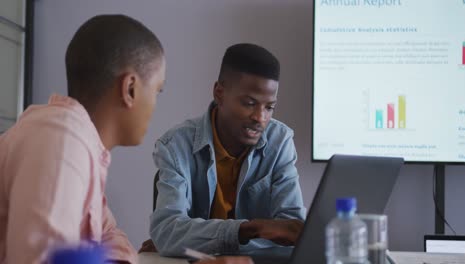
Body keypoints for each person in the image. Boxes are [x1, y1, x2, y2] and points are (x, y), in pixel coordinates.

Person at [0, 14, 248, 264]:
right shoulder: (62, 142)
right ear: (130, 88)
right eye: (156, 91)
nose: (154, 104)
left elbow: (112, 237)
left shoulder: (80, 143)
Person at [148, 43, 306, 257]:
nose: (260, 118)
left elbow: (294, 236)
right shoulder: (176, 145)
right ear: (219, 93)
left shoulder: (280, 142)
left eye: (269, 107)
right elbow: (167, 233)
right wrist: (249, 229)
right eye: (249, 103)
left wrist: (191, 242)